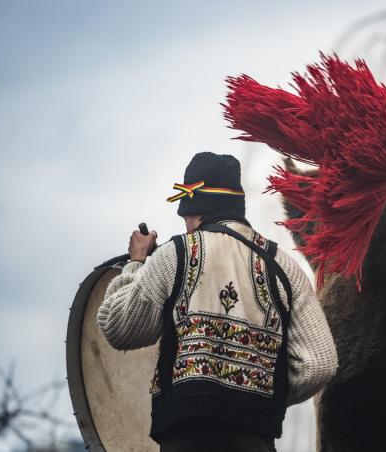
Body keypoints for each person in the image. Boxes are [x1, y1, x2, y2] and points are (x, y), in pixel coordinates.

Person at [97, 152, 338, 452]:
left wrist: (136, 263)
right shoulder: (284, 267)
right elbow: (320, 366)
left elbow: (120, 327)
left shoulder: (176, 255)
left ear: (191, 209)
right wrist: (261, 395)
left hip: (186, 441)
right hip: (256, 442)